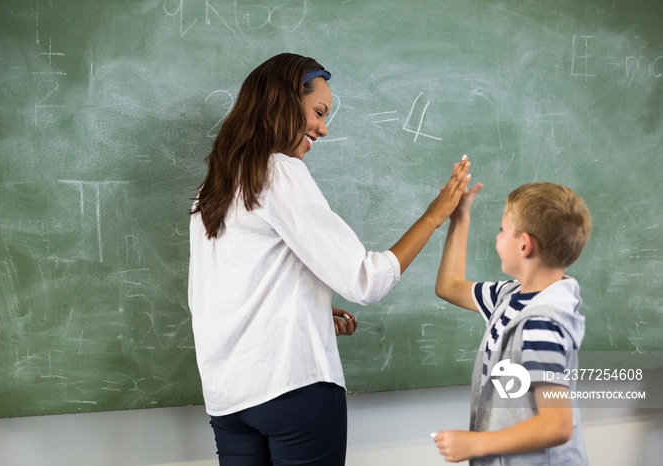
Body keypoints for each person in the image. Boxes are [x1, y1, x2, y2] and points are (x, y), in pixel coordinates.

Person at [188, 52, 472, 466]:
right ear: (283, 103)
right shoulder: (280, 172)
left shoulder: (211, 191)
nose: (323, 128)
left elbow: (220, 296)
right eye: (318, 112)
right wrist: (436, 214)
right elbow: (366, 281)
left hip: (229, 401)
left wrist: (310, 308)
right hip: (294, 391)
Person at [432, 181, 592, 465]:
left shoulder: (541, 323)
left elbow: (556, 425)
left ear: (524, 244)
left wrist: (476, 443)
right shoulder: (508, 296)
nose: (497, 237)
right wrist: (460, 218)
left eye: (502, 230)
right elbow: (449, 285)